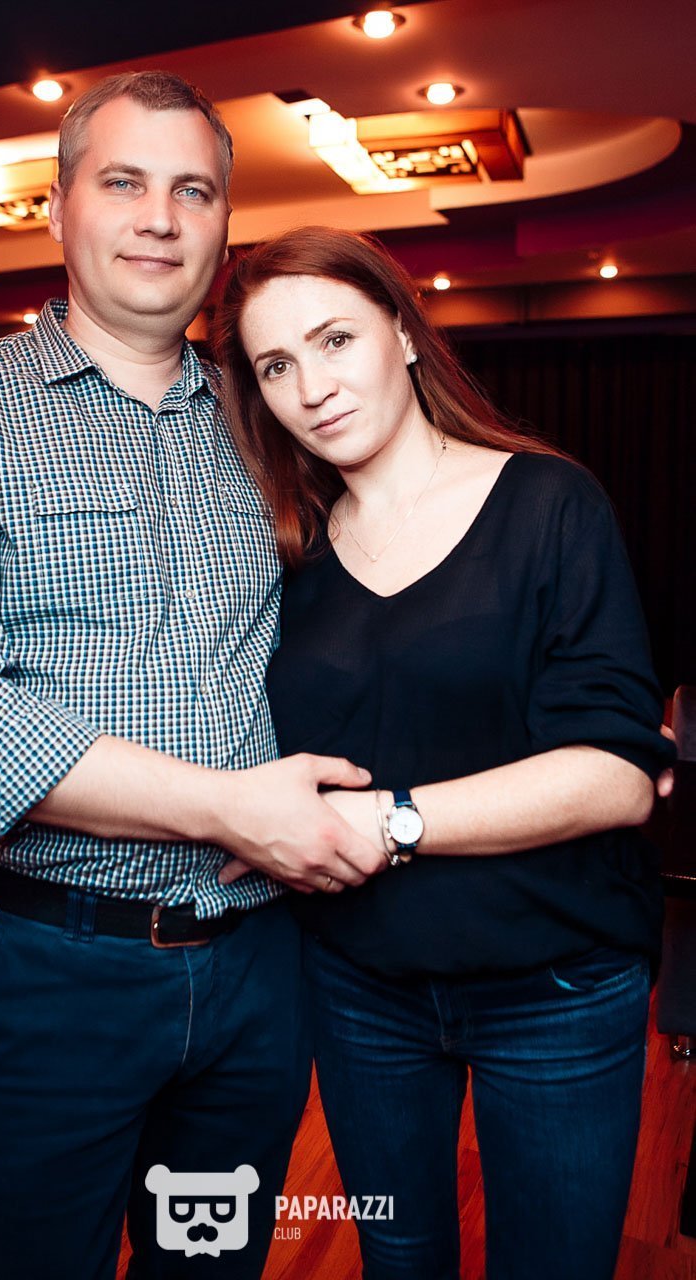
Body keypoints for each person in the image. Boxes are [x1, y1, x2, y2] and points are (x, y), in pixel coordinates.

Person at [0, 79, 386, 1280]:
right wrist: (228, 808)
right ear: (57, 210)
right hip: (56, 967)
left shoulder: (268, 413)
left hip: (261, 964)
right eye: (123, 182)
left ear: (223, 224)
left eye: (192, 190)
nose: (159, 216)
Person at [213, 225, 677, 1280]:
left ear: (405, 333)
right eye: (276, 366)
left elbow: (617, 776)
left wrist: (388, 821)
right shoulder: (291, 554)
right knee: (399, 1256)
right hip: (358, 985)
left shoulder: (547, 503)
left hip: (552, 983)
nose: (311, 388)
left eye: (334, 339)